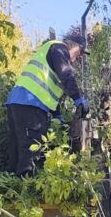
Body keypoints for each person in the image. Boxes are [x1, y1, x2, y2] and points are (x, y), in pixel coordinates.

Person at [5, 35, 90, 177]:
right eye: (80, 51)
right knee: (32, 148)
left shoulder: (53, 52)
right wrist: (78, 98)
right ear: (73, 45)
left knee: (17, 147)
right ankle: (26, 185)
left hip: (18, 101)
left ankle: (11, 183)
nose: (80, 56)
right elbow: (66, 75)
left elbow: (48, 87)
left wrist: (57, 114)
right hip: (31, 103)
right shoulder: (59, 49)